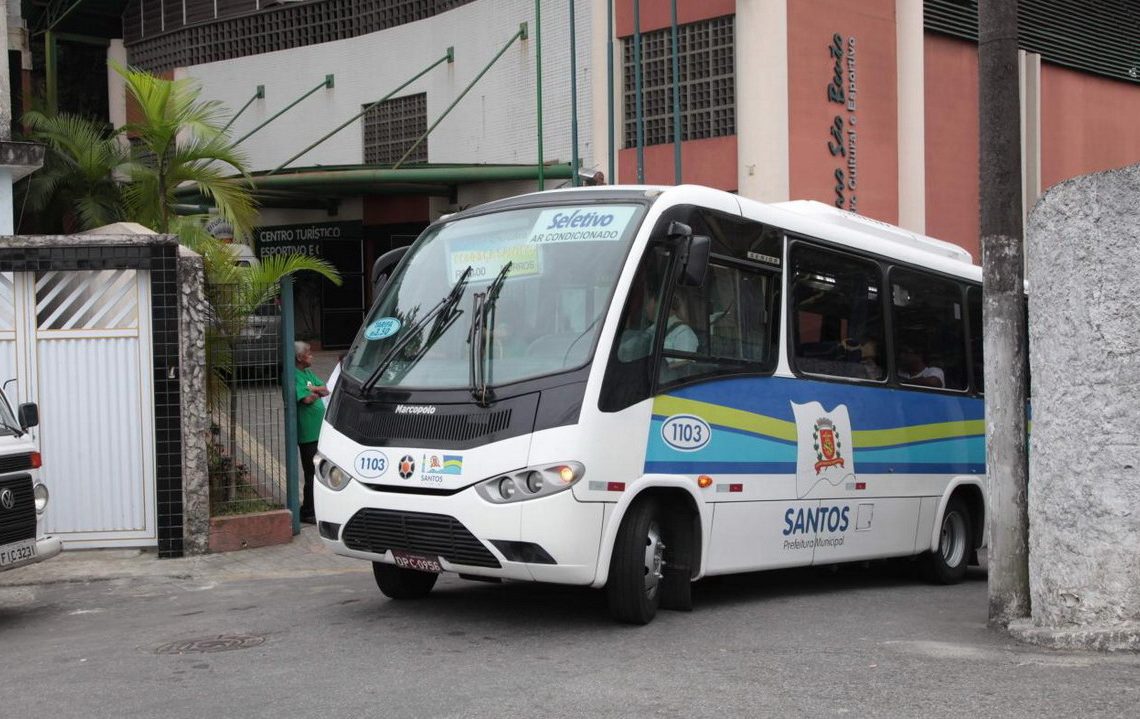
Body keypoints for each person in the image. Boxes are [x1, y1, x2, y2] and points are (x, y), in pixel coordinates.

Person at [295, 341, 329, 524]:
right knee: (311, 472)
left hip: (318, 432)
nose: (312, 356)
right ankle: (308, 510)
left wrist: (314, 389)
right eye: (308, 354)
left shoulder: (307, 373)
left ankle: (315, 506)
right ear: (299, 357)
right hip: (308, 433)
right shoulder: (294, 375)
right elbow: (306, 399)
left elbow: (325, 389)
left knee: (318, 470)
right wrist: (315, 393)